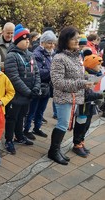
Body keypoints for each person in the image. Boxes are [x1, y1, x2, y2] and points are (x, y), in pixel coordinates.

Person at [48, 26, 94, 165]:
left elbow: (78, 75)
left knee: (67, 123)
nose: (76, 40)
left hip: (77, 96)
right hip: (64, 97)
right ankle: (53, 151)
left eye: (77, 38)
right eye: (73, 38)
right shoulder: (59, 58)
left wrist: (87, 80)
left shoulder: (76, 55)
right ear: (65, 40)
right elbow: (57, 82)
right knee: (62, 124)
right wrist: (81, 83)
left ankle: (57, 150)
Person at [4, 24, 41, 154]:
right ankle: (9, 140)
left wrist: (36, 88)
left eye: (28, 39)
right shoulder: (11, 56)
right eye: (25, 39)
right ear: (18, 40)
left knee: (22, 117)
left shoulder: (30, 55)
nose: (27, 41)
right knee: (12, 118)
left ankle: (19, 136)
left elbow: (36, 73)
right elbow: (14, 78)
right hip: (16, 95)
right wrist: (28, 92)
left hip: (28, 95)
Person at [23, 31, 57, 140]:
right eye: (49, 43)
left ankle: (37, 127)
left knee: (41, 109)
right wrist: (53, 71)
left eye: (53, 43)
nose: (51, 45)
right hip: (37, 85)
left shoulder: (52, 54)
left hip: (47, 86)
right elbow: (37, 71)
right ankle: (26, 129)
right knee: (32, 109)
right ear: (43, 42)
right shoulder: (37, 54)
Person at [72, 55, 104, 157]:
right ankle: (77, 144)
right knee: (80, 124)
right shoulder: (85, 75)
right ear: (91, 65)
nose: (100, 66)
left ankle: (81, 141)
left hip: (91, 104)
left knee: (87, 125)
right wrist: (100, 94)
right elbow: (85, 94)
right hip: (83, 105)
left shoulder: (98, 75)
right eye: (98, 64)